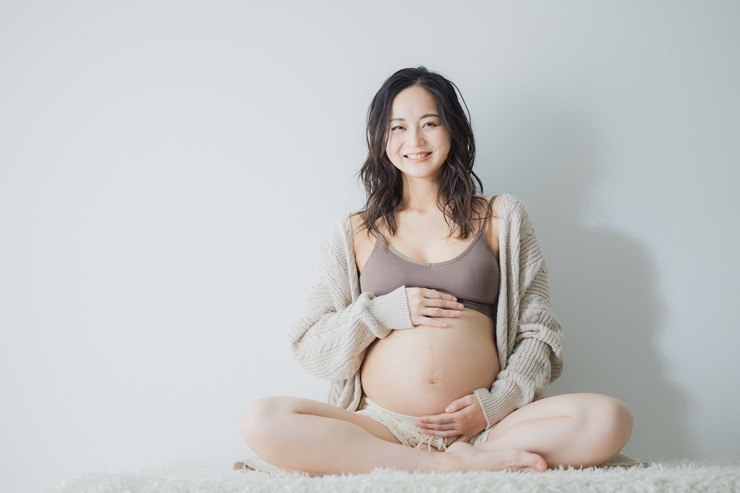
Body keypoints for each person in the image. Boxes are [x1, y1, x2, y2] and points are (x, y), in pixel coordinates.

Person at [238, 66, 634, 475]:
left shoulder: (502, 216)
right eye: (398, 128)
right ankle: (447, 467)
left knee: (610, 418)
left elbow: (539, 332)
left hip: (488, 428)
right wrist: (383, 312)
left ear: (453, 129)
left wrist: (493, 405)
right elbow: (310, 344)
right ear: (380, 138)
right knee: (261, 419)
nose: (415, 141)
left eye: (430, 123)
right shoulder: (355, 231)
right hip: (381, 427)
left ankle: (458, 456)